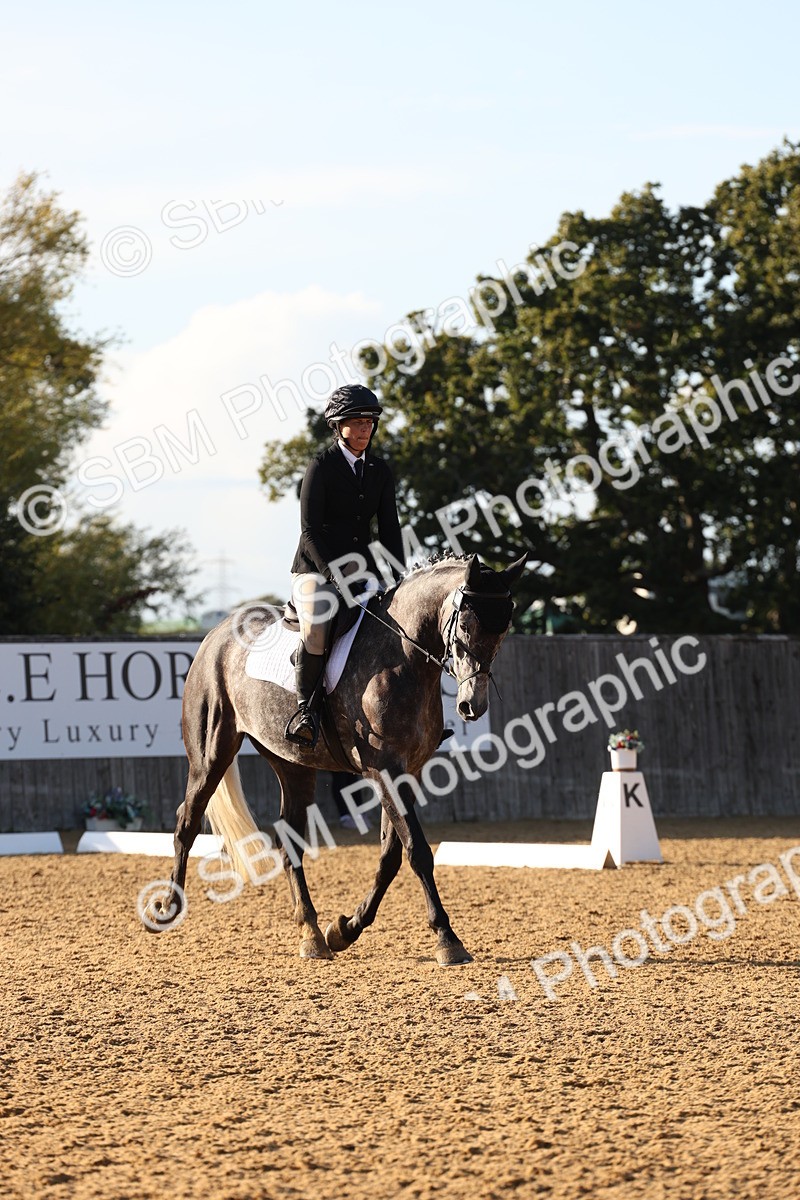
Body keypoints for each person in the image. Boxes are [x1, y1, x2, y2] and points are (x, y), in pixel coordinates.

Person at [285, 383, 404, 748]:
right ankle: (306, 711)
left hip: (362, 571)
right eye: (357, 422)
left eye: (370, 421)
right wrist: (334, 577)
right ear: (339, 426)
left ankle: (411, 716)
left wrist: (399, 576)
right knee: (319, 624)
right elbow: (310, 532)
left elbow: (389, 528)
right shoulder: (320, 467)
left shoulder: (380, 471)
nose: (365, 428)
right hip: (315, 569)